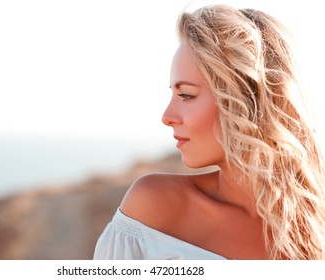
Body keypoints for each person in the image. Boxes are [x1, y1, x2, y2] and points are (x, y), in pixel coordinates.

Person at [93, 4, 325, 260]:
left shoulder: (315, 226)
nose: (167, 117)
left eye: (186, 95)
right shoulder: (153, 209)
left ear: (247, 100)